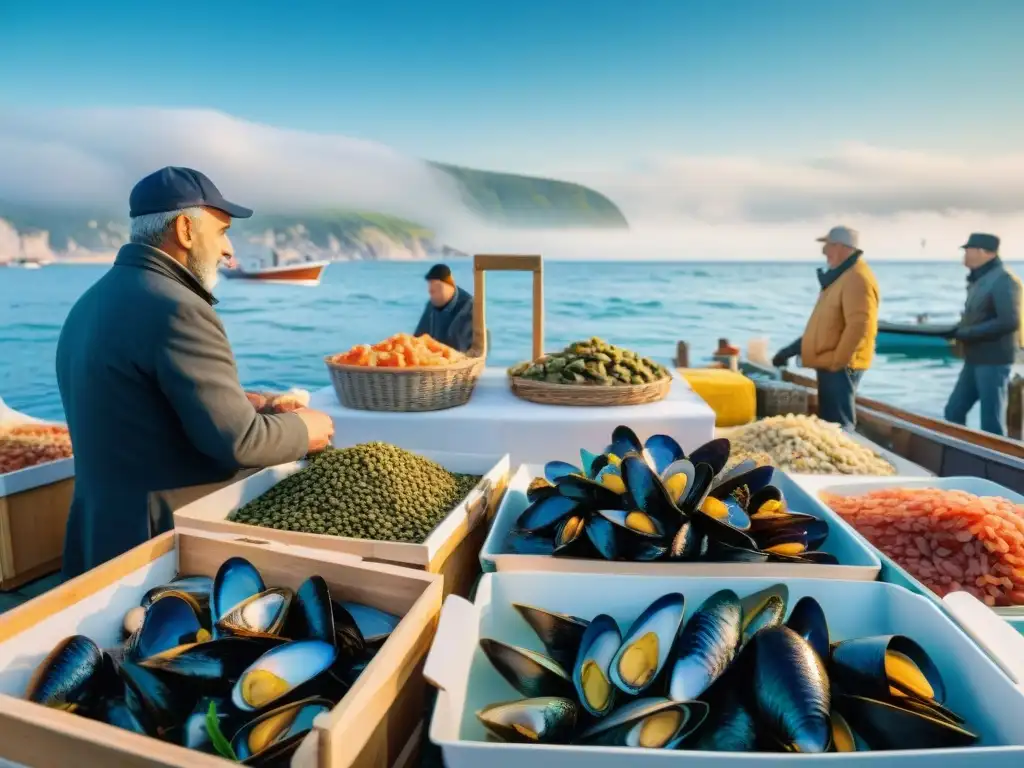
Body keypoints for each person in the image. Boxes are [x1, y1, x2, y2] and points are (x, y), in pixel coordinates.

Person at [55, 166, 335, 578]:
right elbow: (241, 443)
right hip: (158, 542)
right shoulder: (178, 308)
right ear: (186, 230)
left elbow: (139, 407)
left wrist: (246, 402)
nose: (228, 250)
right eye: (222, 231)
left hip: (99, 530)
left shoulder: (91, 302)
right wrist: (306, 428)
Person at [771, 226, 879, 429]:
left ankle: (845, 460)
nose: (823, 252)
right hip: (831, 364)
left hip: (842, 366)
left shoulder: (857, 278)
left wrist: (838, 363)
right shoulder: (840, 277)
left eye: (827, 246)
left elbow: (860, 326)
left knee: (839, 426)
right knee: (829, 424)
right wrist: (790, 350)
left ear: (840, 247)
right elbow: (824, 329)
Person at [943, 233, 1022, 436]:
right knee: (953, 412)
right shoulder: (980, 279)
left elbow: (1009, 321)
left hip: (994, 361)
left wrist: (967, 333)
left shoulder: (1003, 280)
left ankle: (998, 465)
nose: (964, 254)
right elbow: (978, 315)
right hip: (974, 358)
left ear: (983, 252)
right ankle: (959, 455)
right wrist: (957, 331)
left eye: (968, 250)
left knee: (991, 423)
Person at [413, 263, 474, 352]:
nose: (430, 290)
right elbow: (417, 339)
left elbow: (466, 350)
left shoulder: (469, 306)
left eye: (436, 286)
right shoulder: (431, 305)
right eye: (430, 285)